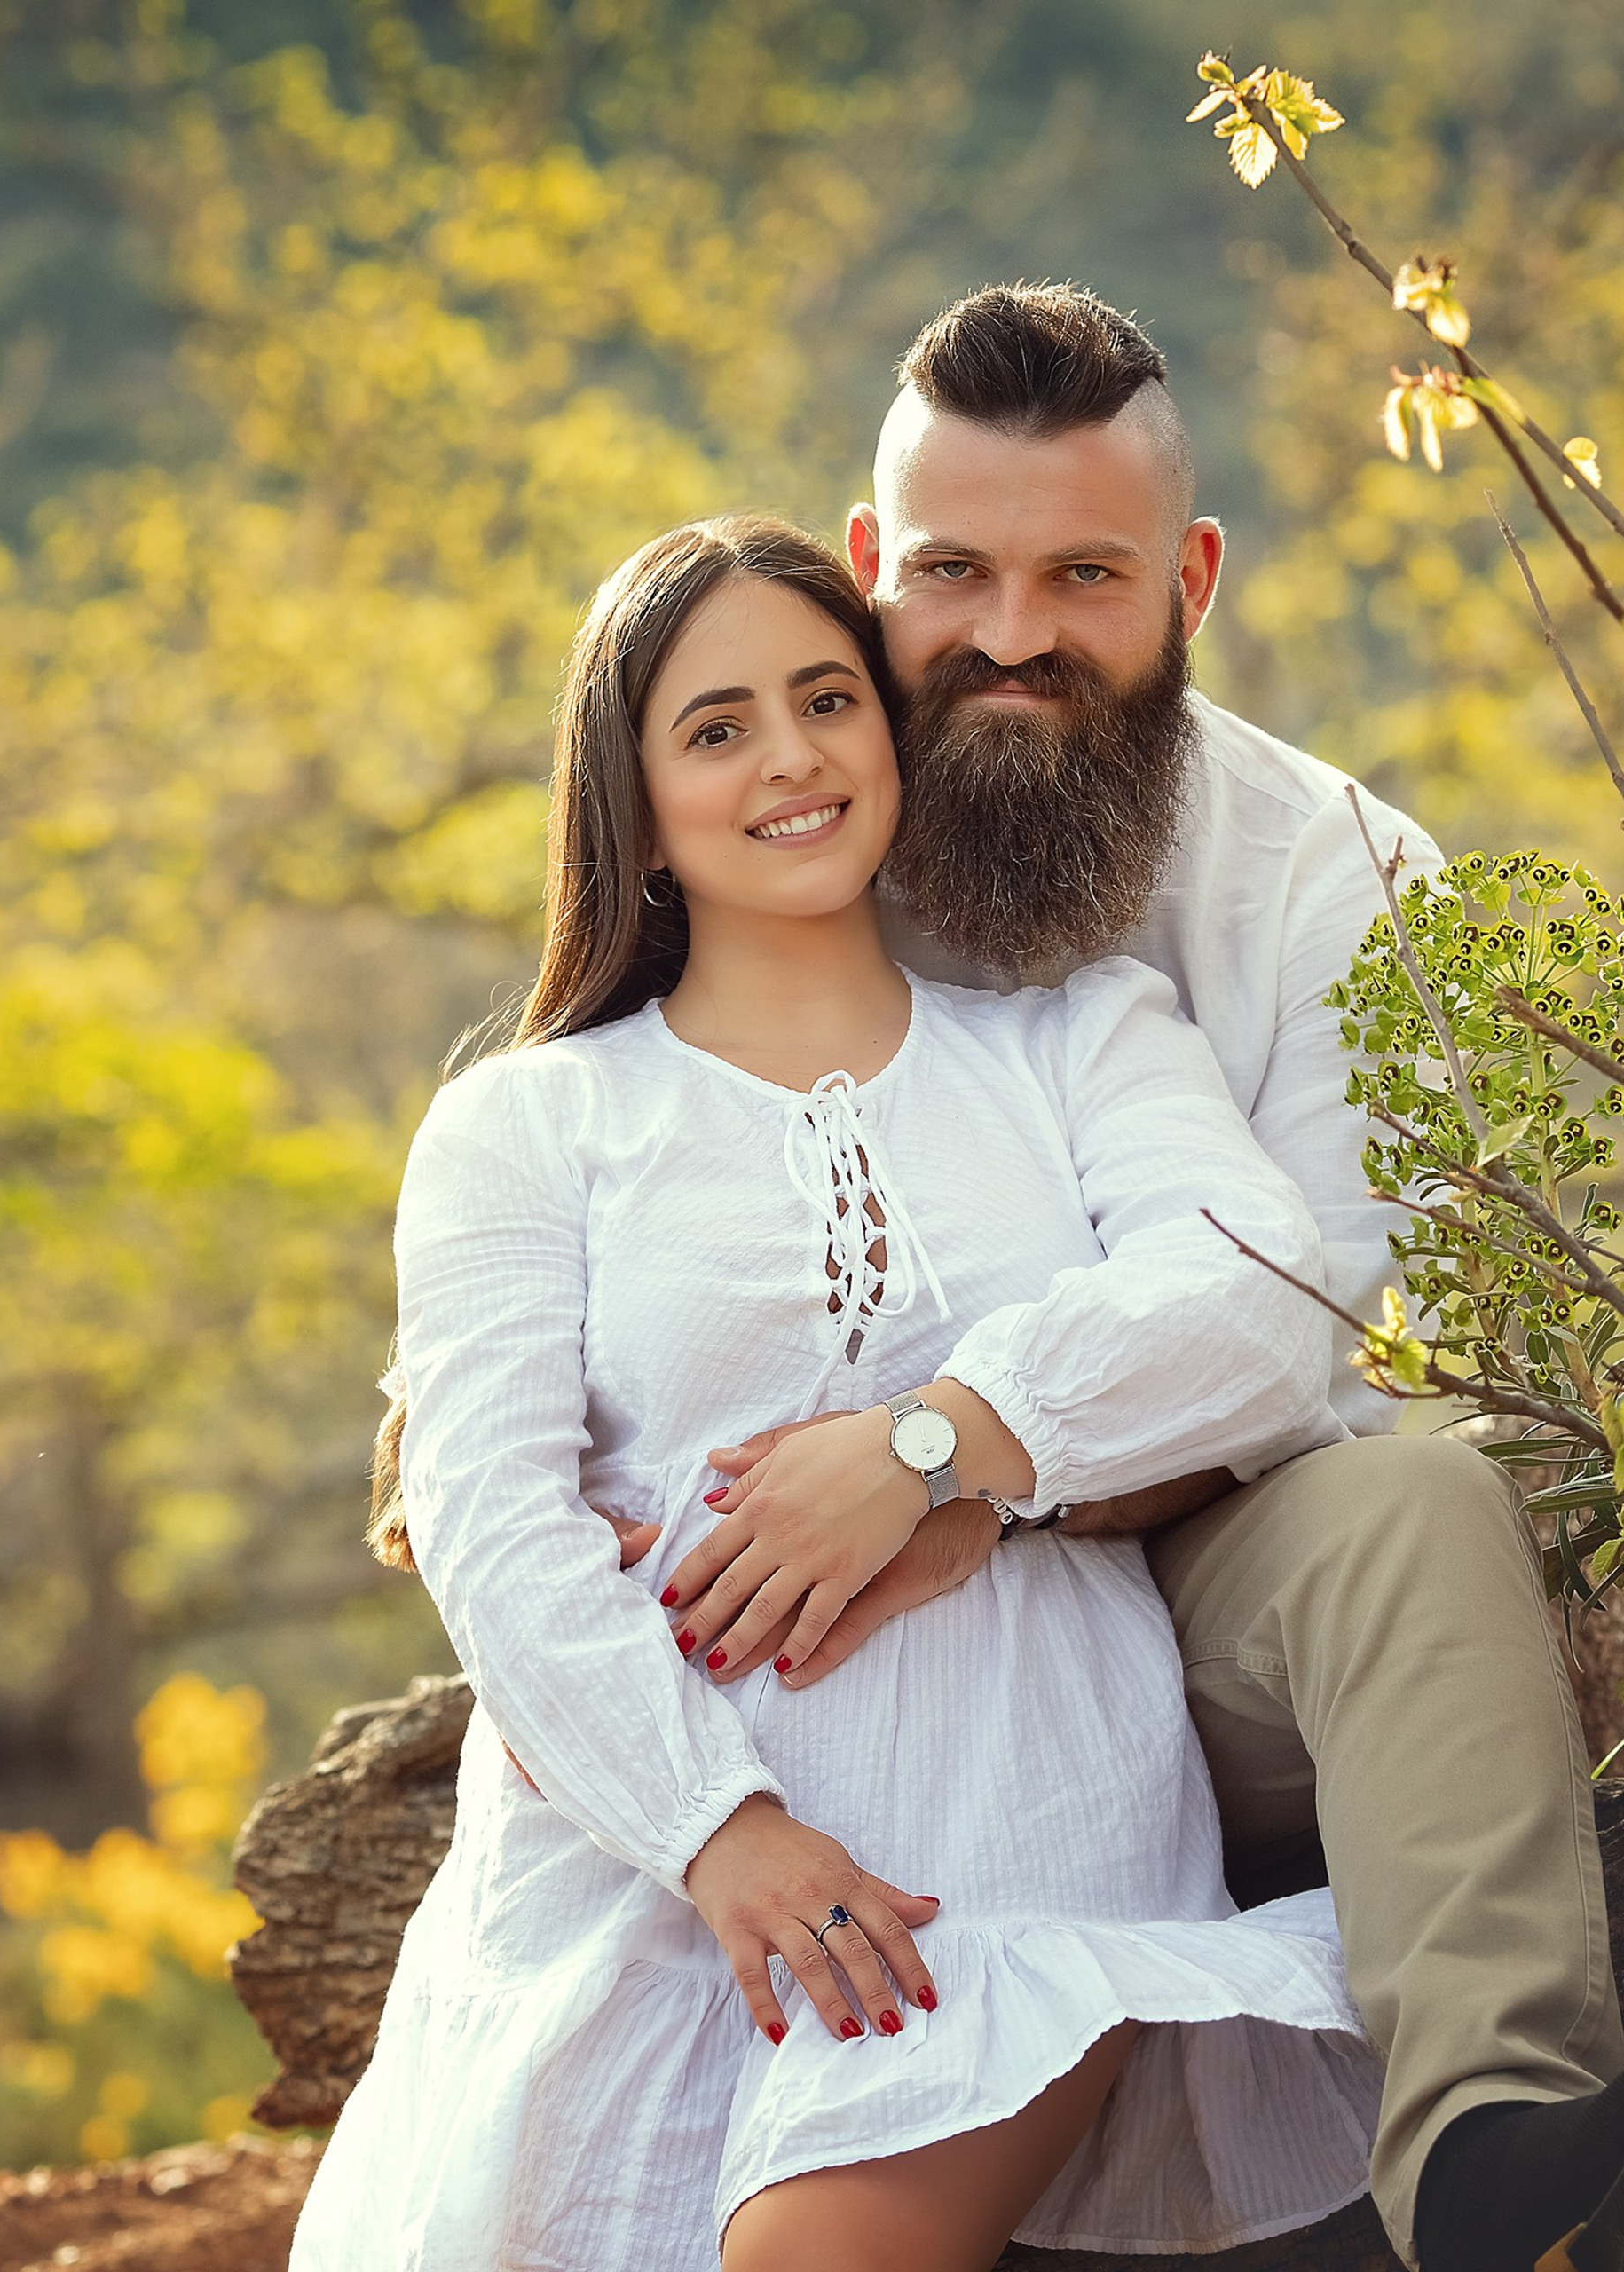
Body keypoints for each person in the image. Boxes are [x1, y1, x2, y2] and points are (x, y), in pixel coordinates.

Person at [291, 511, 1384, 2272]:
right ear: (632, 803)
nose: (789, 757)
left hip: (1012, 1827)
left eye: (824, 697)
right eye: (715, 727)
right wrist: (715, 1831)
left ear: (888, 733)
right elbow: (496, 1527)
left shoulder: (1072, 1034)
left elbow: (1258, 1301)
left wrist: (932, 1445)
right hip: (639, 1859)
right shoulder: (527, 1122)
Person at [658, 284, 1624, 2271]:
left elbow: (1336, 1348)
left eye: (1078, 573)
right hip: (787, 1624)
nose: (1006, 631)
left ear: (1184, 579)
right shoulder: (771, 803)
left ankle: (1497, 2143)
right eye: (950, 569)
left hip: (1195, 1595)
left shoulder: (1335, 879)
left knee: (1410, 1500)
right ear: (867, 564)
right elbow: (592, 1099)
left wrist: (960, 1470)